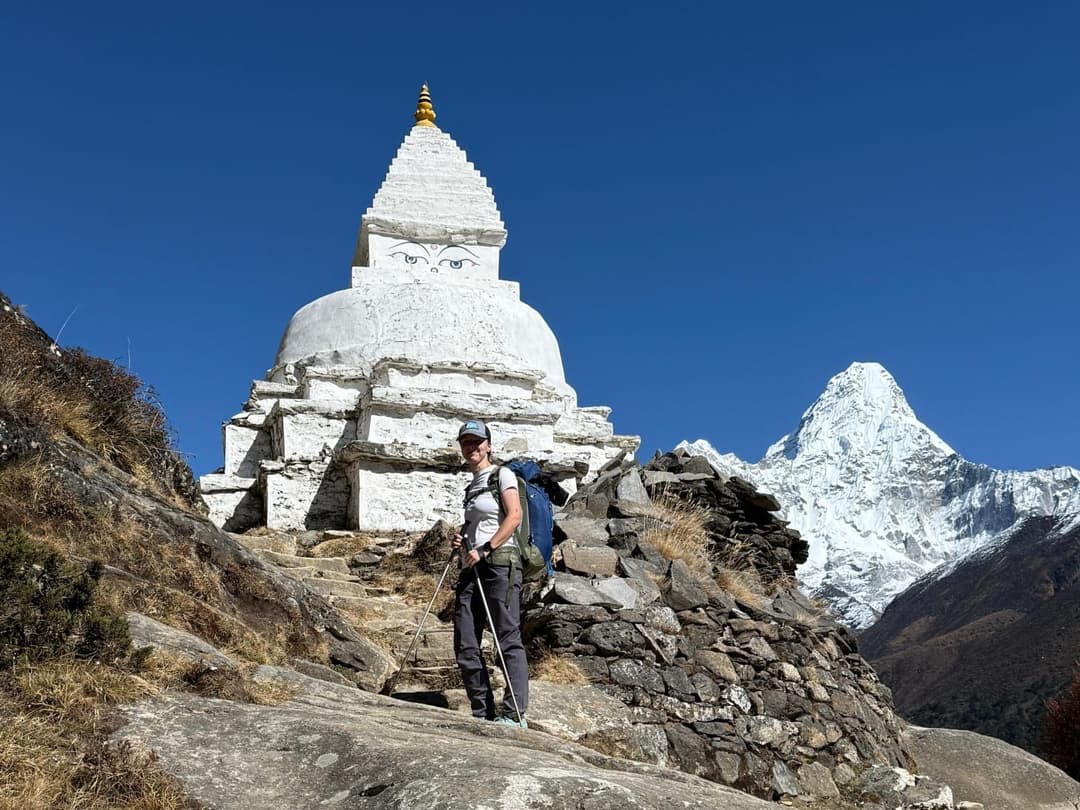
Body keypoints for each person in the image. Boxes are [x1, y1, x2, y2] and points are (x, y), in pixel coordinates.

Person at [452, 418, 529, 728]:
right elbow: (479, 523)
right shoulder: (473, 485)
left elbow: (514, 517)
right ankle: (482, 710)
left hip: (500, 562)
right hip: (472, 565)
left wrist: (486, 548)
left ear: (488, 445)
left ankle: (514, 714)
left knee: (506, 635)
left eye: (477, 441)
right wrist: (462, 537)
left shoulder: (502, 475)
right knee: (465, 639)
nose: (472, 447)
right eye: (466, 442)